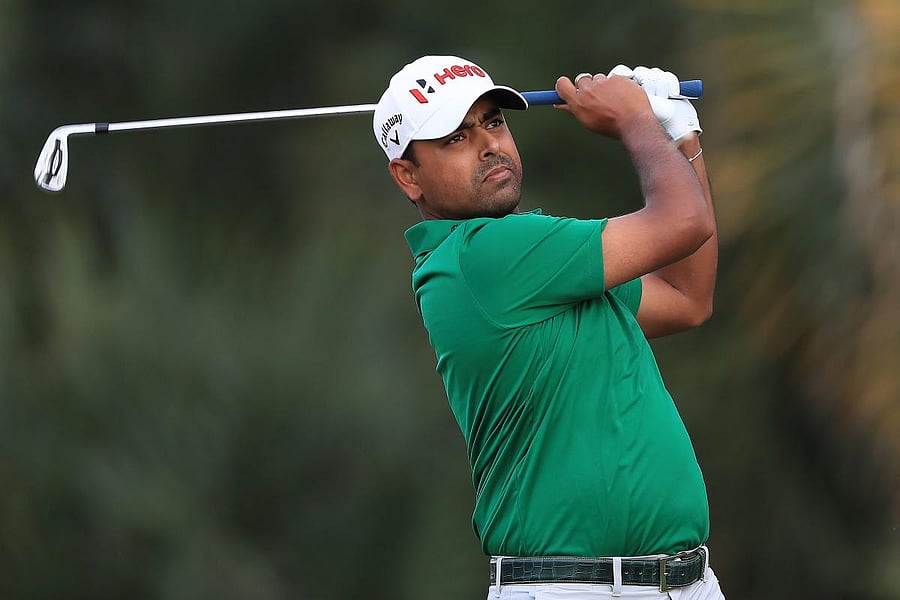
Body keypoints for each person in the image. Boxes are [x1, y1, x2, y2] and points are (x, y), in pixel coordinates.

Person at [373, 55, 724, 599]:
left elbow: (686, 299)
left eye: (493, 122)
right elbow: (685, 221)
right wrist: (637, 120)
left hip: (685, 583)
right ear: (408, 177)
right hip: (570, 588)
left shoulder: (541, 263)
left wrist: (681, 138)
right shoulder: (483, 256)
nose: (488, 145)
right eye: (455, 137)